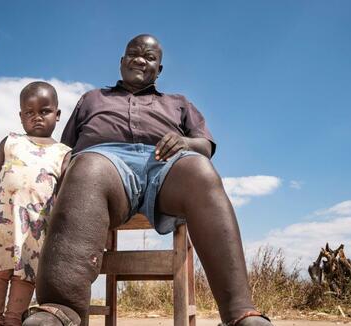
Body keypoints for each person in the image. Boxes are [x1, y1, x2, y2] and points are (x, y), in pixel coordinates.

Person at [25, 35, 273, 326]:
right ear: (121, 62)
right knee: (86, 168)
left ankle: (240, 314)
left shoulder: (179, 103)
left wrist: (185, 142)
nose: (140, 59)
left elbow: (205, 146)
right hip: (106, 167)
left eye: (149, 56)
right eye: (133, 53)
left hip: (167, 167)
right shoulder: (92, 98)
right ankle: (61, 310)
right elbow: (66, 150)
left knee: (201, 171)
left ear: (159, 69)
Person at [0, 81, 71, 326]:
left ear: (57, 115)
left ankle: (14, 320)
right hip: (1, 226)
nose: (36, 117)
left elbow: (66, 192)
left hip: (34, 232)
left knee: (25, 278)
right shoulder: (10, 142)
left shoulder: (64, 152)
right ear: (21, 115)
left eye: (44, 111)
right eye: (29, 112)